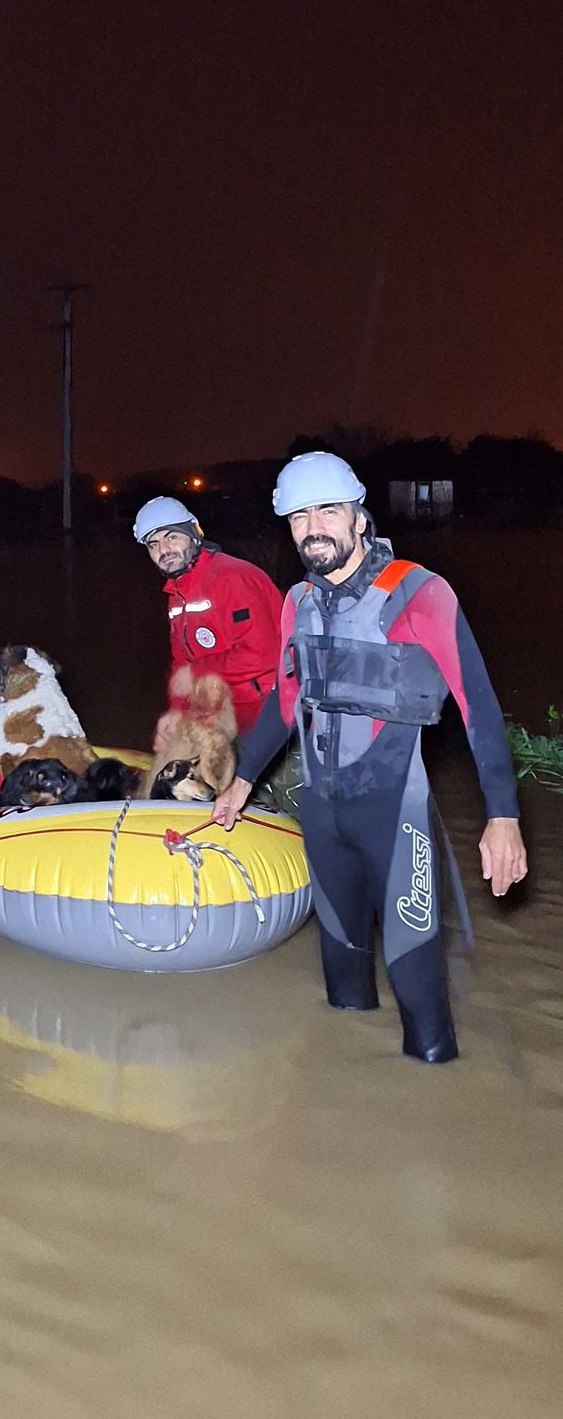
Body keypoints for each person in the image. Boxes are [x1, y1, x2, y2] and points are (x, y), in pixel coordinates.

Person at [211, 450, 527, 1063]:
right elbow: (285, 697)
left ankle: (435, 1110)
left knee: (421, 1012)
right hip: (322, 816)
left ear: (360, 518)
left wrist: (503, 815)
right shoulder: (295, 602)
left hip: (394, 811)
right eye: (298, 516)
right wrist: (242, 780)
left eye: (328, 510)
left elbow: (478, 706)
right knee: (344, 998)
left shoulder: (420, 592)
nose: (312, 528)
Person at [133, 494, 283, 740]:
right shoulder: (177, 593)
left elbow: (262, 655)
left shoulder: (232, 578)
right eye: (154, 544)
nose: (164, 550)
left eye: (172, 537)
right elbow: (182, 662)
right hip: (221, 715)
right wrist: (177, 711)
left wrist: (196, 673)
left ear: (194, 534)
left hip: (267, 715)